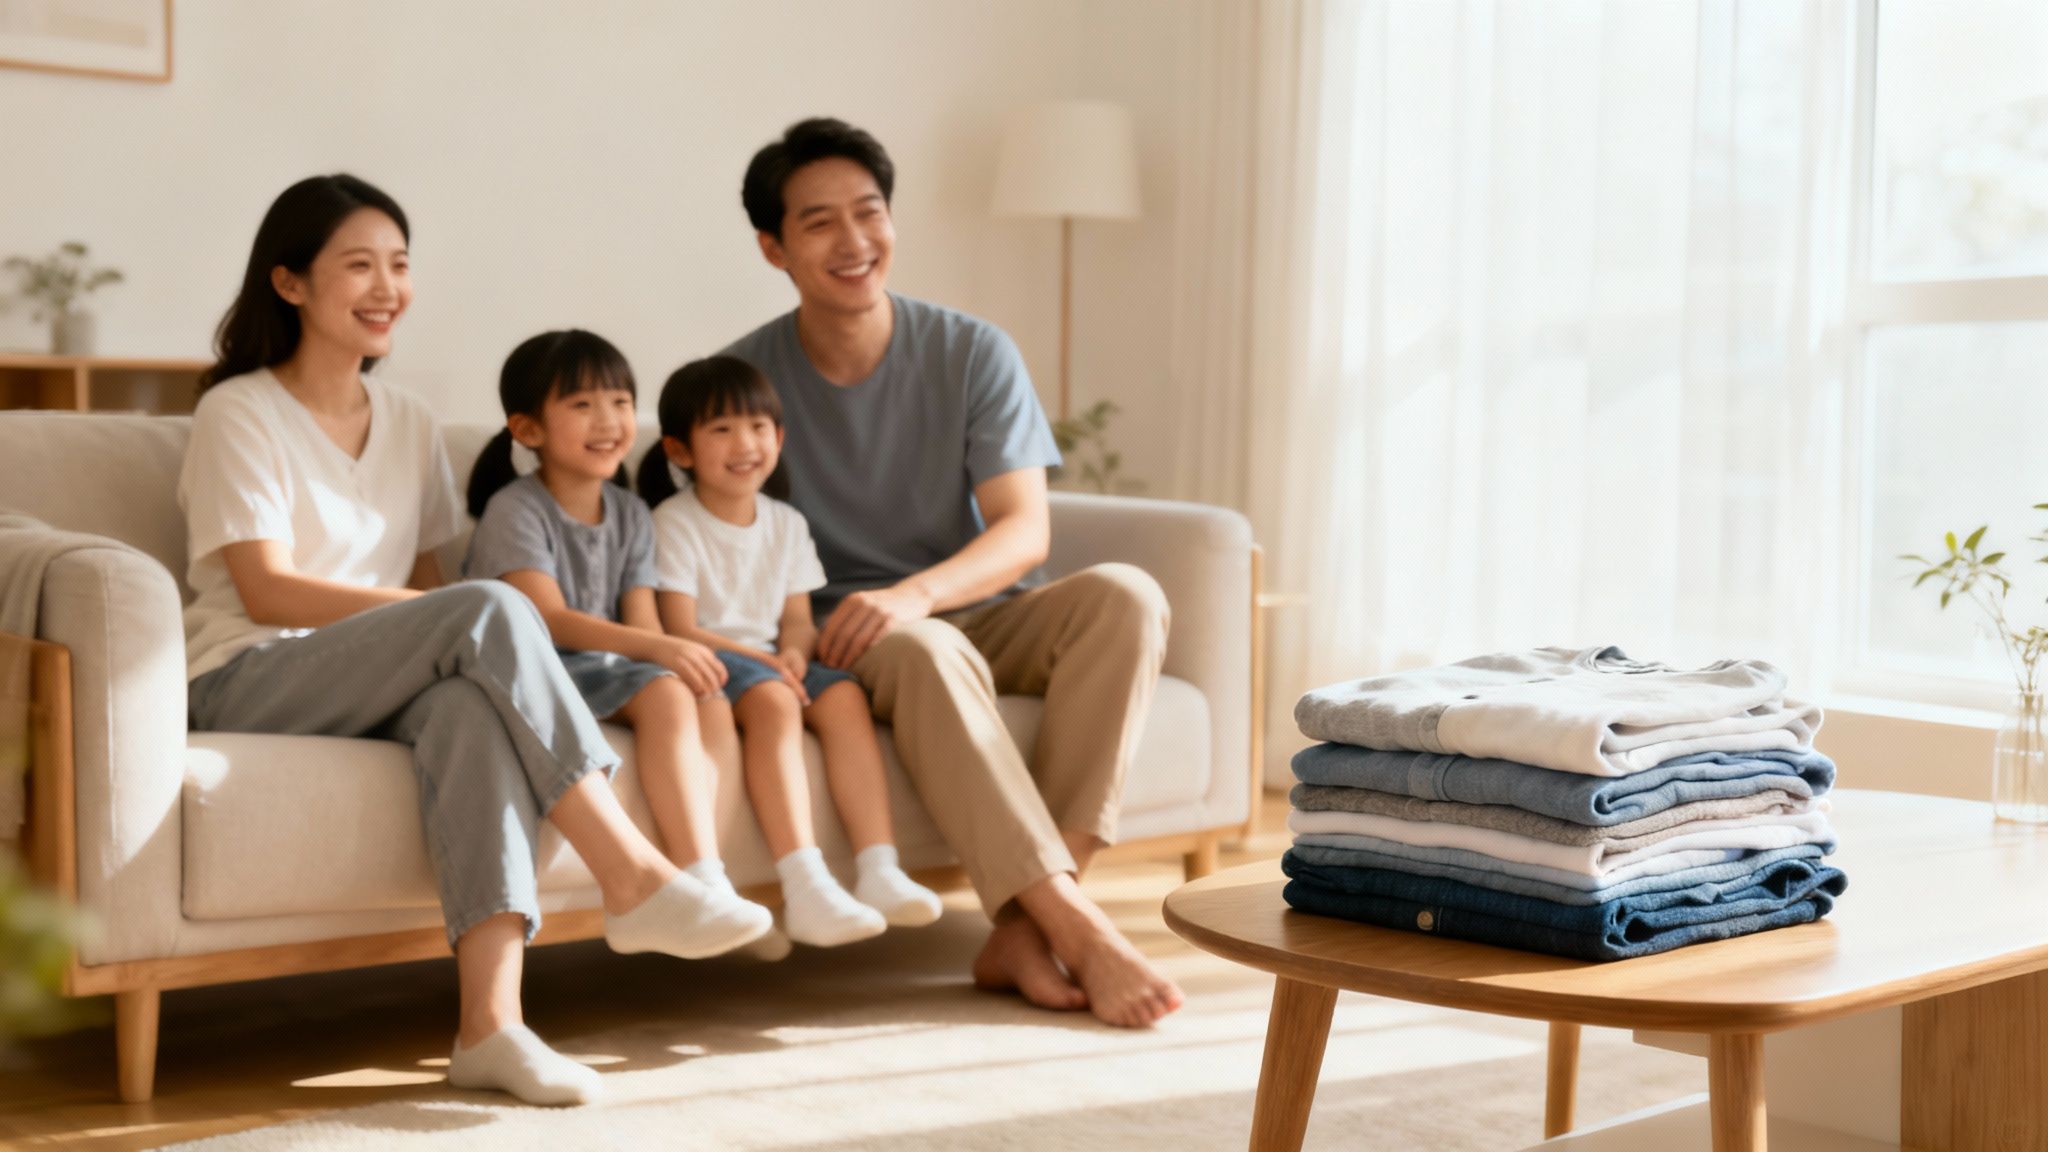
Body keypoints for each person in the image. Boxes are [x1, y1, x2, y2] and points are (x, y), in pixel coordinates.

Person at [181, 176, 762, 1108]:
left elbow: (421, 583)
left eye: (400, 265)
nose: (387, 286)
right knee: (487, 606)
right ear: (289, 284)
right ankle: (633, 875)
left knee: (466, 704)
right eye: (359, 265)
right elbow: (267, 586)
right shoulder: (238, 411)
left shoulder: (406, 418)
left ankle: (491, 1028)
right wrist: (451, 622)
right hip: (248, 672)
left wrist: (457, 638)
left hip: (366, 674)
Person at [723, 119, 1183, 1027]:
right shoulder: (744, 380)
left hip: (963, 604)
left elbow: (1023, 530)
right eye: (820, 223)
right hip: (845, 637)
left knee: (1127, 597)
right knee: (927, 650)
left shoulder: (972, 351)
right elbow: (723, 544)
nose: (855, 241)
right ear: (774, 248)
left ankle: (1030, 924)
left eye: (870, 212)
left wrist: (921, 589)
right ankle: (1082, 932)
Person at [461, 328, 777, 953]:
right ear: (527, 430)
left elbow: (640, 622)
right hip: (534, 665)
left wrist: (670, 654)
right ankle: (698, 878)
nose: (607, 420)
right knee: (665, 687)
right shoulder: (516, 509)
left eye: (621, 402)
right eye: (581, 405)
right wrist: (658, 652)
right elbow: (544, 618)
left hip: (601, 665)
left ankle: (711, 875)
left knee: (704, 695)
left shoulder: (630, 512)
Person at [637, 355, 945, 947]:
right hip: (711, 659)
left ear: (778, 437)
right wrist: (770, 665)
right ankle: (805, 885)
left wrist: (797, 653)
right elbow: (679, 627)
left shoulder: (786, 523)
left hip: (773, 662)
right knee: (777, 703)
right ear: (679, 450)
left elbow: (798, 620)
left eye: (758, 427)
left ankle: (880, 869)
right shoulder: (673, 522)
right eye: (721, 429)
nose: (744, 443)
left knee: (846, 698)